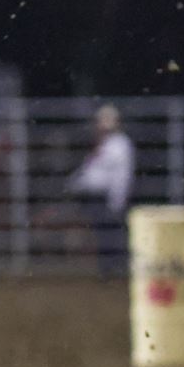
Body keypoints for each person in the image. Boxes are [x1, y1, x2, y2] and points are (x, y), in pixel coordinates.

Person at [69, 104, 134, 276]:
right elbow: (91, 170)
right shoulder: (105, 144)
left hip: (108, 197)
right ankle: (108, 268)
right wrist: (77, 183)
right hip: (97, 196)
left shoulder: (119, 144)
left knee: (111, 235)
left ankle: (114, 268)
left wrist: (116, 200)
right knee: (104, 234)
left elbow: (121, 176)